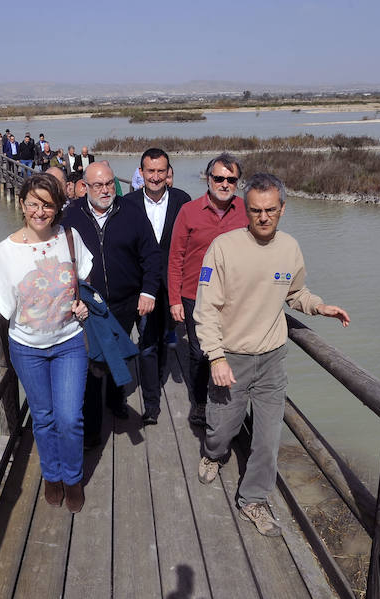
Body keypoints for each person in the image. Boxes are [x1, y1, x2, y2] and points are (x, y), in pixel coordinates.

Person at [194, 173, 350, 536]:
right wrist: (216, 357)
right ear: (245, 210)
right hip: (231, 356)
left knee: (268, 437)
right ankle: (213, 453)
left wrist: (318, 307)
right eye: (255, 211)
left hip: (272, 359)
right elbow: (206, 308)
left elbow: (295, 293)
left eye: (271, 210)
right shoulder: (223, 247)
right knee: (222, 427)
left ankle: (253, 500)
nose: (263, 217)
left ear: (283, 208)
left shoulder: (290, 248)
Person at [0, 174, 93, 513]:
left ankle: (73, 477)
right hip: (27, 348)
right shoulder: (5, 251)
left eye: (47, 205)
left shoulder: (70, 237)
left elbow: (85, 276)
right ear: (22, 204)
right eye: (33, 204)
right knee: (43, 416)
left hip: (68, 341)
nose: (40, 211)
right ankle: (52, 476)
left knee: (69, 417)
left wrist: (83, 303)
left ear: (57, 208)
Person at [61, 162, 161, 447]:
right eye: (98, 185)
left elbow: (151, 256)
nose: (105, 190)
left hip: (126, 301)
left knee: (119, 351)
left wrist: (149, 292)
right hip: (89, 304)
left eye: (109, 184)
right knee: (93, 364)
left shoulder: (132, 212)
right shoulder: (72, 216)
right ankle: (92, 429)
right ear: (84, 187)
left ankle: (117, 400)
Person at [168, 153, 249, 427]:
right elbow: (176, 257)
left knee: (232, 350)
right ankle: (200, 402)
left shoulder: (246, 210)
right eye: (219, 178)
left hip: (234, 297)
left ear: (237, 182)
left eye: (231, 179)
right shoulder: (189, 211)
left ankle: (229, 404)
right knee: (199, 352)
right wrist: (174, 299)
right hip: (194, 295)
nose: (224, 184)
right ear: (208, 178)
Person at [121, 149, 191, 424]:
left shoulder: (182, 201)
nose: (155, 176)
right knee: (147, 343)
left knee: (164, 338)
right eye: (150, 171)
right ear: (141, 172)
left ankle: (159, 375)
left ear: (168, 172)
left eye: (161, 171)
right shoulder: (127, 204)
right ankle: (152, 404)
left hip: (172, 286)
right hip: (141, 289)